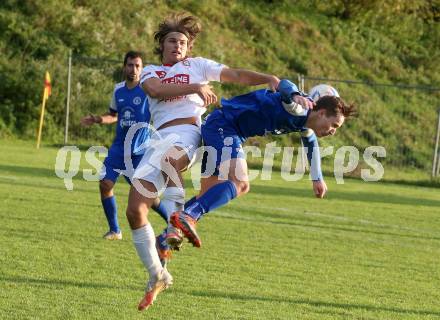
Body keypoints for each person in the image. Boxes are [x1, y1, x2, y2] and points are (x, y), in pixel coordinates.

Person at [126, 13, 280, 311]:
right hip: (157, 139)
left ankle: (175, 224)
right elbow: (156, 91)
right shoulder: (152, 71)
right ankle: (157, 275)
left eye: (183, 42)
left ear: (189, 47)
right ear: (162, 44)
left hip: (188, 132)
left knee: (174, 160)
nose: (178, 46)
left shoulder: (198, 66)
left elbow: (235, 75)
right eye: (172, 41)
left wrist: (267, 79)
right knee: (134, 211)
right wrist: (194, 88)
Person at [166, 80, 356, 249]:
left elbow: (311, 143)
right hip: (224, 126)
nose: (333, 131)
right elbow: (284, 84)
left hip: (226, 129)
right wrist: (295, 94)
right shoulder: (299, 107)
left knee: (207, 195)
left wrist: (317, 179)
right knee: (241, 183)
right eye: (334, 125)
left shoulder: (306, 123)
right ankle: (187, 216)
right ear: (322, 112)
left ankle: (167, 235)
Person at [80, 51, 168, 240]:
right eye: (130, 65)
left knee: (148, 197)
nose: (134, 69)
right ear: (124, 67)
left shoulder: (148, 90)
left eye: (137, 65)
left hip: (139, 151)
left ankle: (173, 221)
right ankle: (115, 230)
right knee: (105, 184)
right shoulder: (118, 89)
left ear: (142, 68)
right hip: (119, 148)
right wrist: (97, 119)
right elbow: (114, 115)